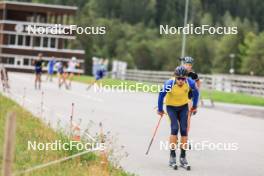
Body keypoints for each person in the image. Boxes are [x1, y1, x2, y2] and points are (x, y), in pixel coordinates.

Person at [157, 66, 199, 167]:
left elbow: (196, 94)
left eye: (183, 79)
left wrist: (194, 106)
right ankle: (172, 156)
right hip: (171, 108)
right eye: (178, 78)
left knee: (184, 130)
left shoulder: (190, 83)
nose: (180, 81)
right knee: (175, 128)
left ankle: (183, 157)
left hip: (183, 107)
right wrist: (160, 109)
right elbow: (161, 95)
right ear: (175, 77)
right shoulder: (169, 83)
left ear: (186, 78)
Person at [181, 56, 201, 133]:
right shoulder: (179, 72)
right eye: (186, 64)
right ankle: (175, 135)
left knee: (187, 118)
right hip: (179, 97)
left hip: (189, 98)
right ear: (183, 64)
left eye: (190, 65)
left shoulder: (193, 75)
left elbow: (198, 83)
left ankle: (185, 137)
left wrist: (195, 91)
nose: (188, 66)